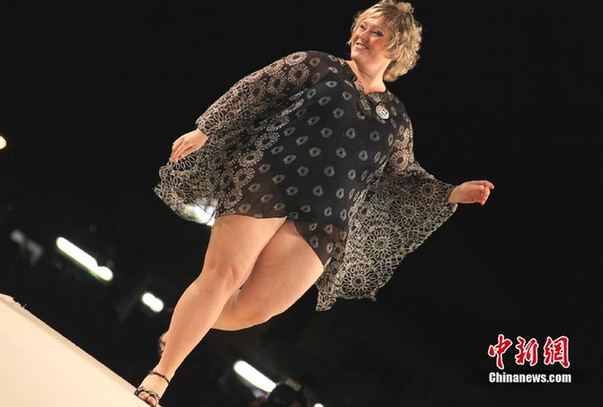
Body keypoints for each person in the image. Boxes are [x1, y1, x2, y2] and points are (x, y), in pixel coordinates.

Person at [134, 1, 495, 405]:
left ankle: (185, 326)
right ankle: (162, 373)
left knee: (256, 309)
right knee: (222, 277)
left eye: (376, 32)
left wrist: (450, 192)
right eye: (361, 26)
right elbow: (255, 88)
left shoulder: (396, 117)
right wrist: (205, 129)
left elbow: (403, 175)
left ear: (398, 49)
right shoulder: (317, 65)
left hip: (326, 218)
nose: (362, 35)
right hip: (268, 180)